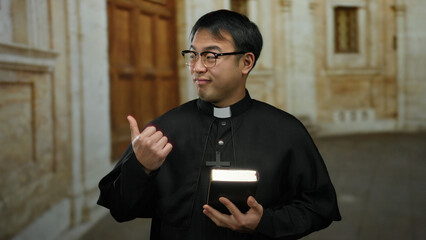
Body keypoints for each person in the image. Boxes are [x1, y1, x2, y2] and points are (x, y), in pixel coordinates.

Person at [97, 9, 341, 240]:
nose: (197, 67)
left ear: (246, 63)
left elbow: (319, 207)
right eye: (192, 55)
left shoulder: (286, 131)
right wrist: (141, 168)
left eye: (211, 56)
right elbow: (120, 209)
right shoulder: (164, 130)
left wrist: (264, 221)